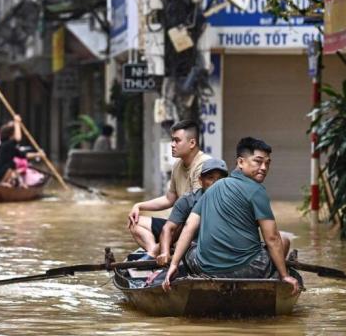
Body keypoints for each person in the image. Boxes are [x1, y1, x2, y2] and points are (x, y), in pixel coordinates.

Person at [162, 137, 299, 295]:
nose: (263, 168)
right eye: (258, 161)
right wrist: (285, 275)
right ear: (240, 162)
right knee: (284, 239)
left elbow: (189, 227)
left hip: (204, 268)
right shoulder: (257, 191)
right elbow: (272, 238)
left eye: (267, 163)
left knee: (191, 248)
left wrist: (174, 264)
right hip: (249, 270)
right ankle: (275, 279)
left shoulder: (212, 188)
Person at [127, 120, 211, 258]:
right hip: (178, 223)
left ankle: (157, 252)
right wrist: (139, 205)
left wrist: (165, 239)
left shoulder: (204, 166)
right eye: (172, 140)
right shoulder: (178, 165)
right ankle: (154, 251)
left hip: (195, 227)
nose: (172, 145)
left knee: (178, 224)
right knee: (134, 222)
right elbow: (169, 199)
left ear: (192, 143)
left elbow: (194, 214)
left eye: (177, 141)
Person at [155, 158, 229, 267]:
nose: (215, 183)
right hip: (194, 250)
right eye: (210, 178)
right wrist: (165, 252)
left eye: (220, 179)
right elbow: (168, 229)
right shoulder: (187, 200)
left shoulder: (232, 200)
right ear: (200, 180)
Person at [0, 115, 44, 186]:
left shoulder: (11, 148)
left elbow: (25, 155)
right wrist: (17, 123)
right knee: (11, 164)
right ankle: (2, 183)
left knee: (12, 164)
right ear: (11, 136)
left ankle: (8, 182)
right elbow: (18, 138)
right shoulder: (6, 145)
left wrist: (38, 154)